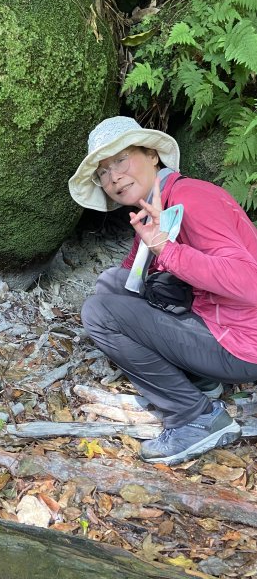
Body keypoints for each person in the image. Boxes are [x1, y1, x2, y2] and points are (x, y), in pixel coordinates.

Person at [68, 116, 257, 465]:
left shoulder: (193, 198)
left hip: (242, 343)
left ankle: (196, 418)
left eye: (121, 160)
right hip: (215, 326)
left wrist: (166, 250)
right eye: (103, 172)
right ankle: (202, 379)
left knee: (99, 313)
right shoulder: (161, 204)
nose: (113, 177)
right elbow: (131, 274)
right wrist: (152, 255)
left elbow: (249, 284)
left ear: (153, 154)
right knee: (111, 285)